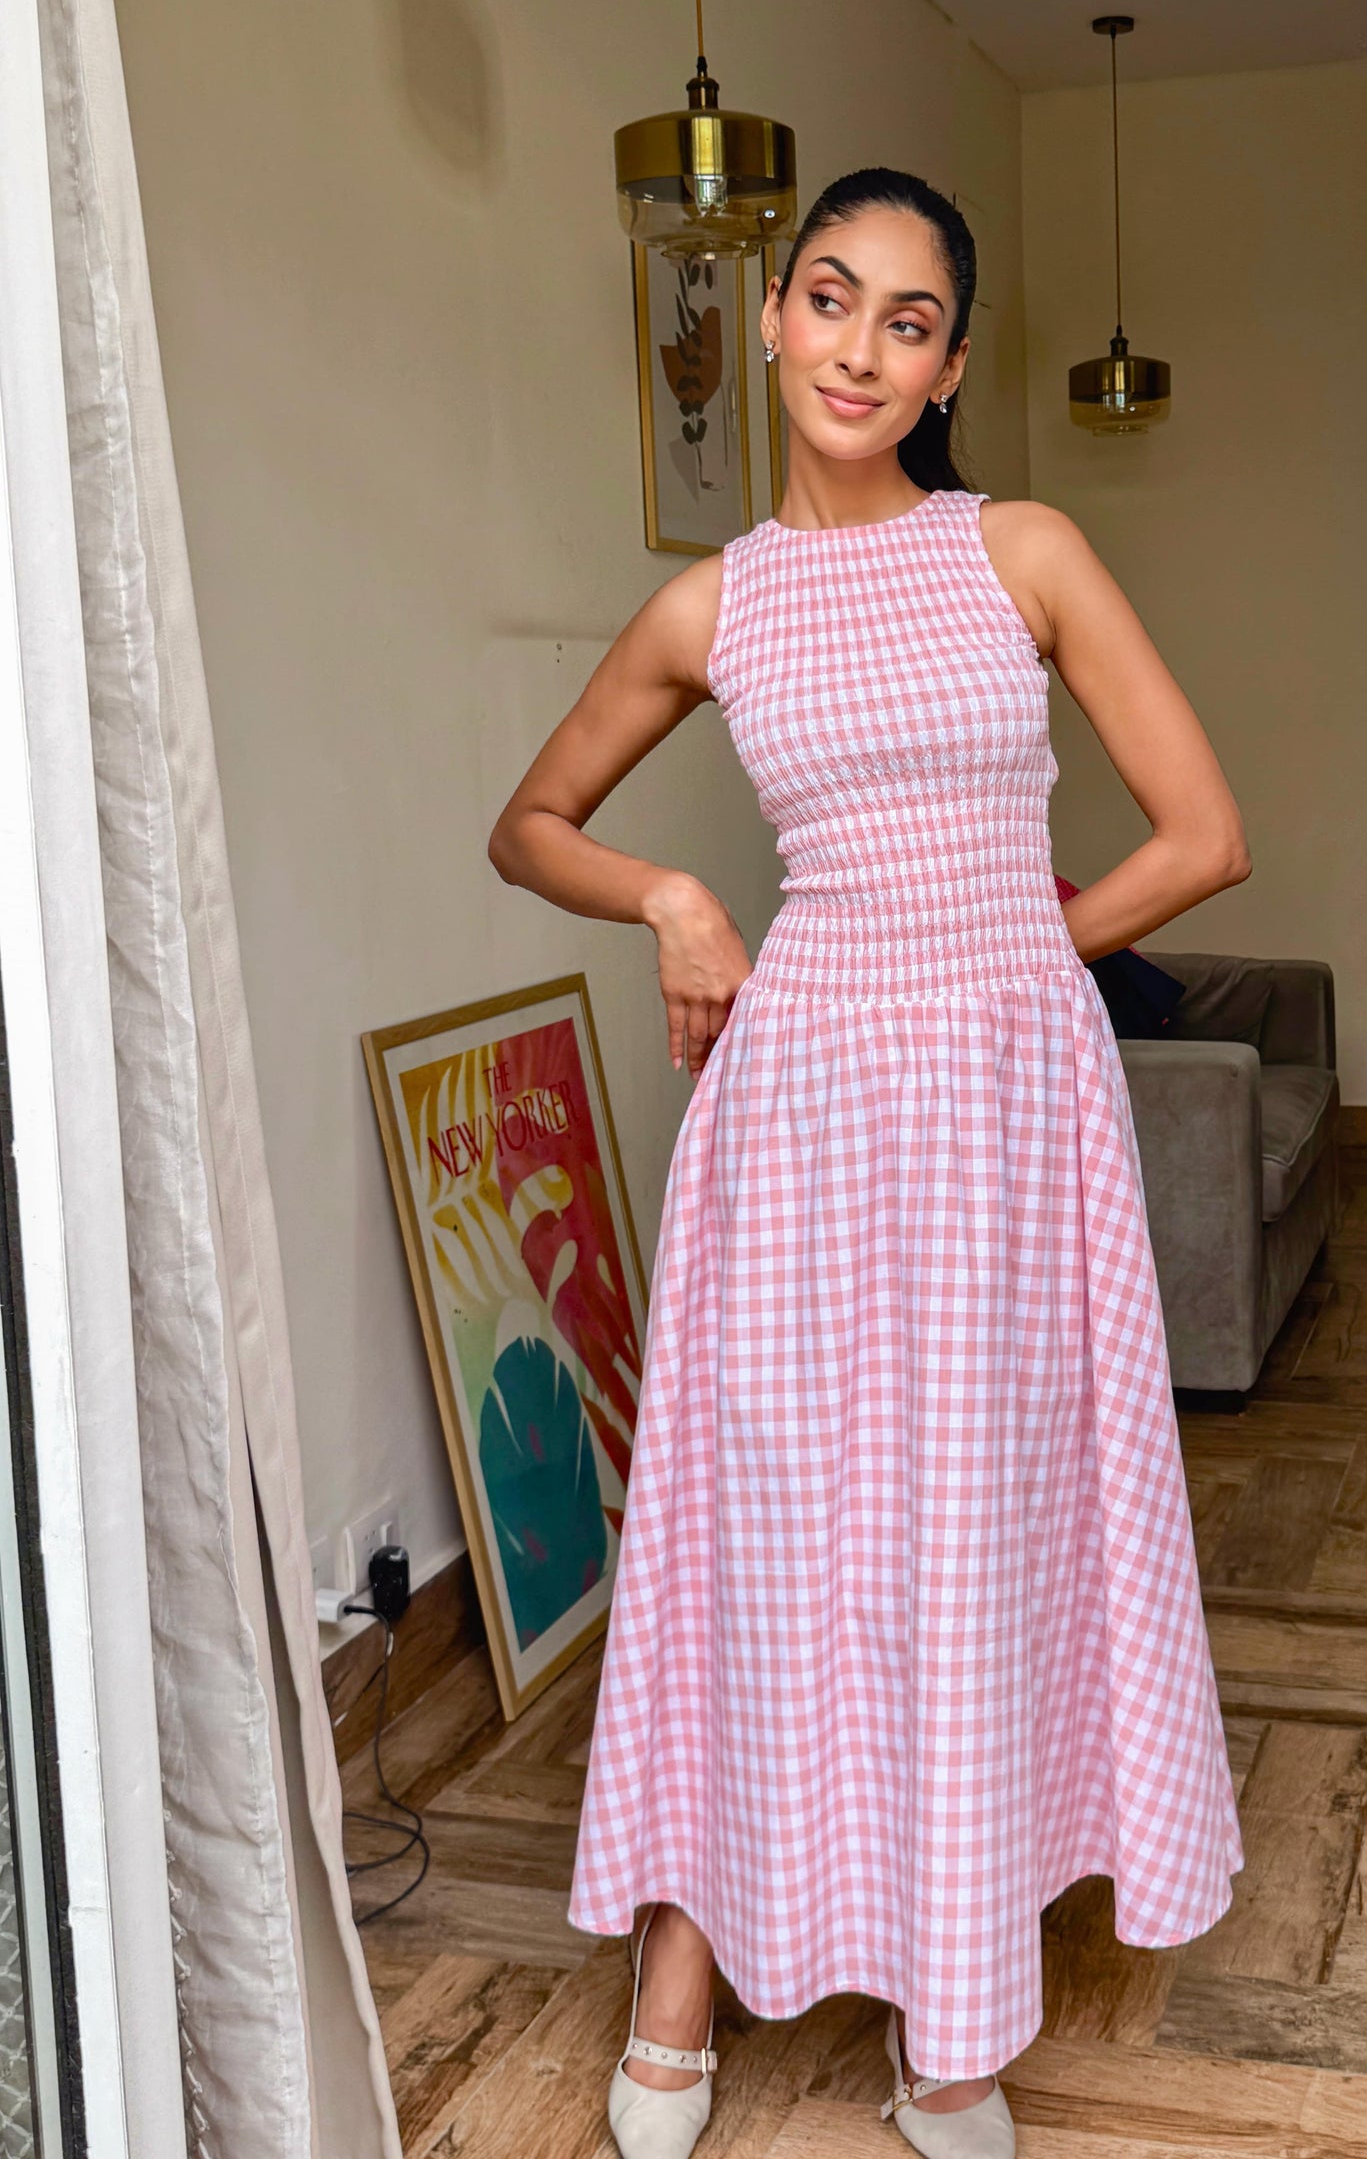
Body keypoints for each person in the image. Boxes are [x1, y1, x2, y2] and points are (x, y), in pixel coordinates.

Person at [488, 167, 1247, 2159]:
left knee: (971, 1526)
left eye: (906, 322)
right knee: (760, 1526)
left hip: (1004, 1113)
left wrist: (1008, 951)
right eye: (829, 298)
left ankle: (950, 2009)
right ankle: (678, 1971)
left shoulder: (1025, 551)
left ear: (948, 369)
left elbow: (1199, 836)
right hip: (801, 1111)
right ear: (766, 319)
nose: (857, 345)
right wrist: (672, 899)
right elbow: (535, 820)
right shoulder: (712, 602)